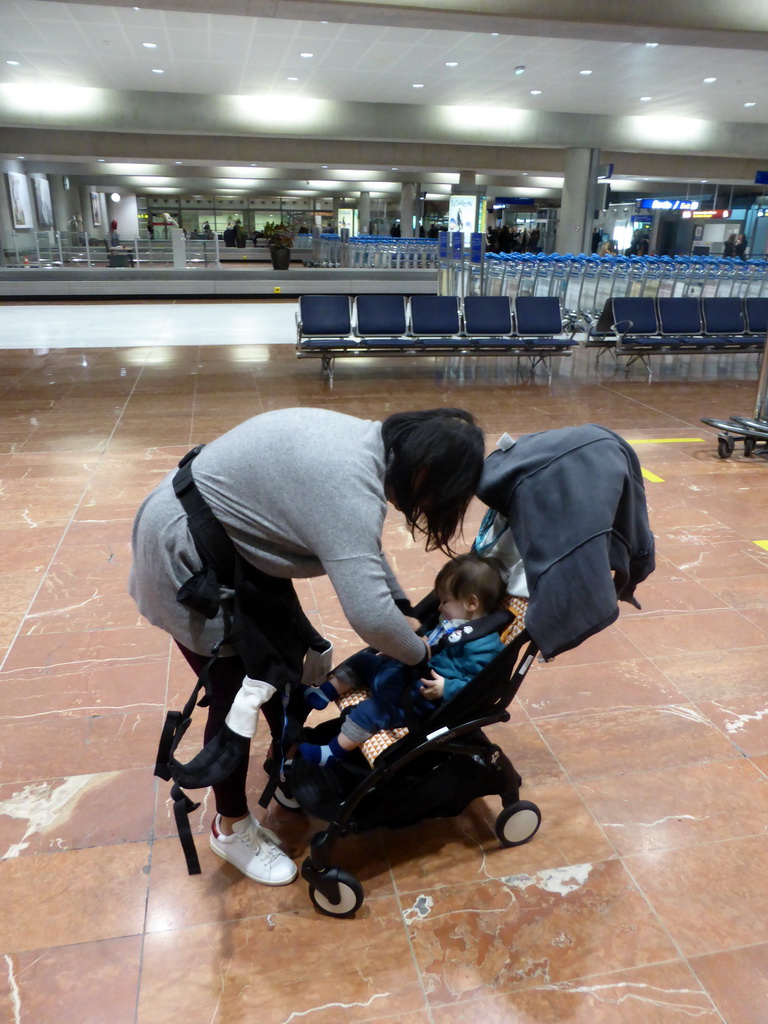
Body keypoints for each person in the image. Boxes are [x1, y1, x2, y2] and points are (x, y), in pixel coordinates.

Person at [129, 407, 485, 886]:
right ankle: (229, 827)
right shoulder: (349, 486)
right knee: (237, 695)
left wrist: (402, 603)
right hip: (187, 558)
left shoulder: (367, 444)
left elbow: (365, 552)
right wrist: (420, 656)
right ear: (424, 472)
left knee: (278, 670)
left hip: (223, 543)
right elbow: (372, 619)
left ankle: (287, 760)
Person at [297, 553, 507, 765]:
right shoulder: (454, 623)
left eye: (445, 601)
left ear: (471, 603)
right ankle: (323, 694)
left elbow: (477, 687)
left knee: (371, 710)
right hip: (406, 671)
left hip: (421, 696)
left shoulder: (484, 645)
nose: (439, 607)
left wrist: (447, 687)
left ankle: (332, 753)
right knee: (363, 661)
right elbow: (431, 643)